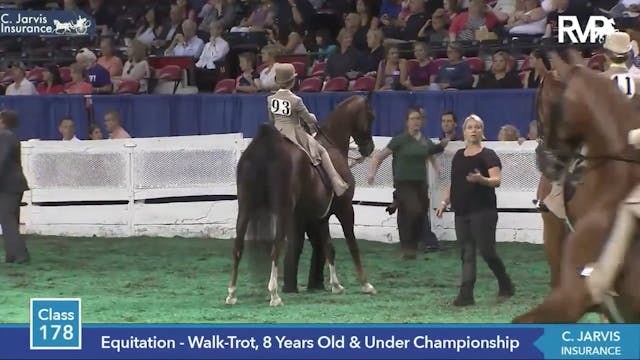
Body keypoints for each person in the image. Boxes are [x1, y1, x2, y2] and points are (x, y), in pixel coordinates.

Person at [435, 114, 514, 305]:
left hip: (483, 210)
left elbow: (497, 180)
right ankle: (466, 294)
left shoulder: (488, 155)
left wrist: (482, 180)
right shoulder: (458, 156)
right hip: (461, 211)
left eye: (477, 127)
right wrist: (444, 202)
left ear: (482, 131)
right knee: (467, 252)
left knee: (487, 251)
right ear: (464, 132)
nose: (473, 130)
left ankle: (505, 284)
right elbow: (453, 183)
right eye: (470, 127)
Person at [367, 107, 448, 259]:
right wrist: (372, 173)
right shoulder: (400, 139)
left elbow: (431, 155)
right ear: (407, 122)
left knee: (418, 212)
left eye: (418, 118)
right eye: (413, 118)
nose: (416, 121)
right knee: (414, 209)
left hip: (421, 183)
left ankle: (411, 247)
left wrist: (438, 170)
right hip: (403, 182)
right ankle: (409, 245)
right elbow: (379, 157)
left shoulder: (424, 140)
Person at [267, 63, 349, 196]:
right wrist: (313, 118)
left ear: (277, 81)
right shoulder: (296, 100)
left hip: (277, 133)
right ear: (292, 82)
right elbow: (308, 119)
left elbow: (272, 118)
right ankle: (336, 183)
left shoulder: (270, 99)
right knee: (322, 151)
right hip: (294, 133)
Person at [0, 110, 29, 264]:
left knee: (7, 219)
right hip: (14, 184)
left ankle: (19, 254)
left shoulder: (4, 136)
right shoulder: (9, 136)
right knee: (10, 219)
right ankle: (12, 254)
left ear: (3, 121)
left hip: (8, 185)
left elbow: (1, 160)